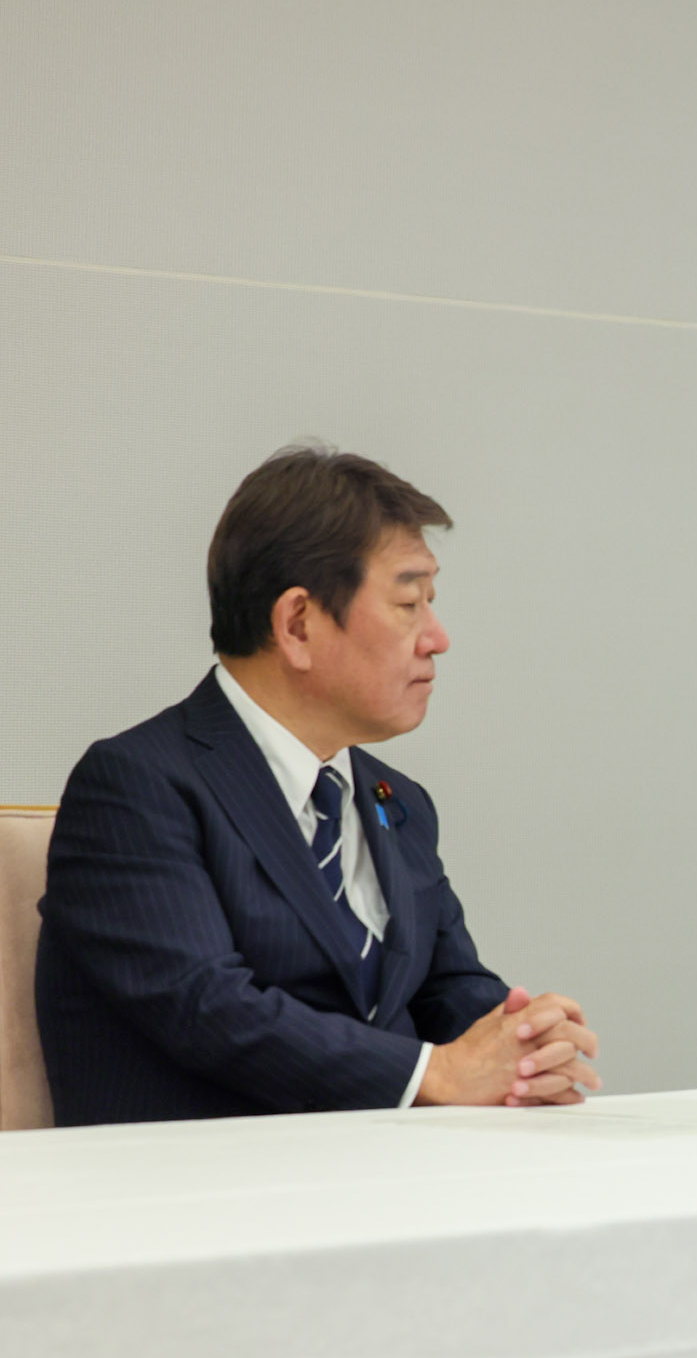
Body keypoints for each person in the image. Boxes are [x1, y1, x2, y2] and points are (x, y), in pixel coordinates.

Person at [37, 446, 603, 1123]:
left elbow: (444, 986)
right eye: (408, 602)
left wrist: (524, 1046)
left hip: (389, 1181)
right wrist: (437, 1070)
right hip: (202, 1196)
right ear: (298, 624)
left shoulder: (400, 803)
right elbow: (206, 1007)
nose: (438, 638)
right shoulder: (137, 785)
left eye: (433, 602)